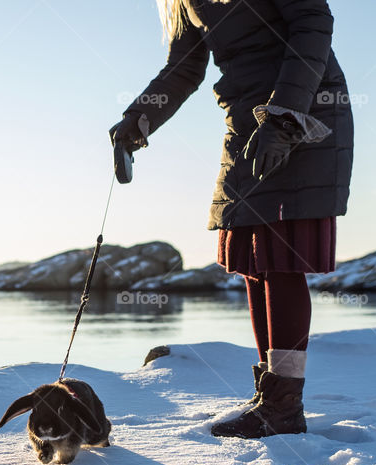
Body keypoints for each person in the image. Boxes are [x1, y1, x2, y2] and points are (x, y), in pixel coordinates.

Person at [110, 0, 353, 439]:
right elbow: (183, 68)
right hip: (243, 124)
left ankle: (284, 407)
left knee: (281, 258)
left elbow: (313, 23)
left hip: (301, 115)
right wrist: (139, 119)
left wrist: (283, 118)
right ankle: (271, 396)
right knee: (253, 261)